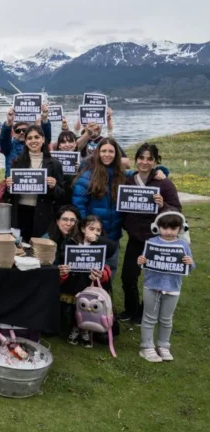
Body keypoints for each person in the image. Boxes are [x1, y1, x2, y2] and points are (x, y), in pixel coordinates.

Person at [120, 143, 182, 323]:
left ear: (155, 161)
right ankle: (131, 310)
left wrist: (163, 204)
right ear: (136, 159)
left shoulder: (164, 183)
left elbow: (177, 211)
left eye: (149, 159)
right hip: (135, 238)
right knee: (128, 277)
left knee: (152, 280)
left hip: (157, 240)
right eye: (141, 158)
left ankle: (143, 312)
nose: (144, 162)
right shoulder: (130, 180)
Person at [137, 212, 194, 362]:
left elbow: (191, 266)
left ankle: (163, 345)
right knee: (149, 318)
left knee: (166, 319)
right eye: (165, 228)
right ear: (158, 227)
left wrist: (189, 262)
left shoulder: (182, 245)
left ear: (180, 229)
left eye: (173, 228)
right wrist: (140, 260)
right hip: (151, 285)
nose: (168, 232)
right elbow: (143, 261)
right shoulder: (152, 241)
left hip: (173, 287)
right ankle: (147, 346)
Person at [58, 215, 117, 347]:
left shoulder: (101, 244)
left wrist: (98, 239)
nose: (95, 232)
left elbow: (113, 248)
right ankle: (74, 328)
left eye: (98, 230)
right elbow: (62, 257)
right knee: (76, 307)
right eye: (91, 229)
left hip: (90, 283)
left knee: (89, 308)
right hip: (73, 282)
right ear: (83, 229)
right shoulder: (71, 241)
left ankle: (86, 331)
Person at [72, 137, 127, 278]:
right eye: (103, 151)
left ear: (116, 154)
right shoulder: (87, 176)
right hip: (93, 236)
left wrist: (160, 171)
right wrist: (87, 230)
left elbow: (140, 175)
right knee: (89, 272)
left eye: (111, 151)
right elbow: (79, 206)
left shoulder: (121, 175)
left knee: (109, 271)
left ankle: (104, 299)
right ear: (97, 152)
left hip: (113, 235)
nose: (107, 154)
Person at [3, 125, 65, 242]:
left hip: (43, 214)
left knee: (39, 251)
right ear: (26, 142)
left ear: (43, 139)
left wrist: (53, 186)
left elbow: (61, 195)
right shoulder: (17, 162)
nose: (33, 141)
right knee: (19, 249)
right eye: (30, 138)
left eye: (37, 137)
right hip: (20, 213)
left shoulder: (55, 164)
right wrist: (8, 186)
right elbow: (10, 195)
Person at [0, 104, 51, 176]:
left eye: (24, 130)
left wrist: (44, 119)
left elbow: (45, 138)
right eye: (18, 131)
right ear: (13, 133)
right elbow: (3, 139)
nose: (21, 133)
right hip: (13, 184)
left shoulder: (36, 146)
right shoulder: (9, 147)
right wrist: (9, 122)